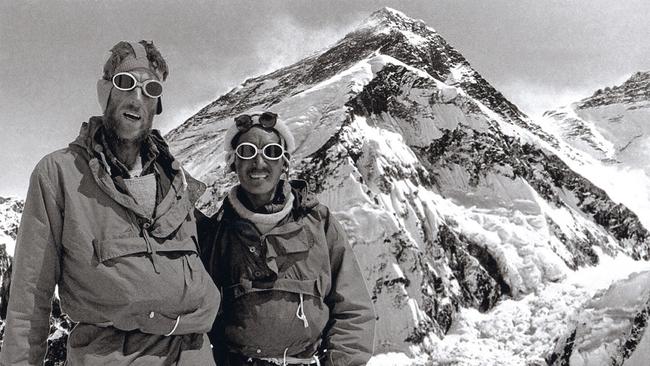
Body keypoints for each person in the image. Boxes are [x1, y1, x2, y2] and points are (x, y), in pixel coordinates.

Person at [0, 40, 220, 365]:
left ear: (157, 105)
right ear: (106, 92)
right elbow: (30, 298)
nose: (137, 97)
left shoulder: (176, 179)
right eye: (125, 83)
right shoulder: (59, 174)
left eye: (150, 89)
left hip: (192, 355)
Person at [198, 112, 376, 366]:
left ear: (285, 163)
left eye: (271, 152)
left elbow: (352, 309)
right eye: (247, 151)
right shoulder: (216, 235)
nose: (259, 162)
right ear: (232, 162)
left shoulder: (319, 223)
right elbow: (199, 320)